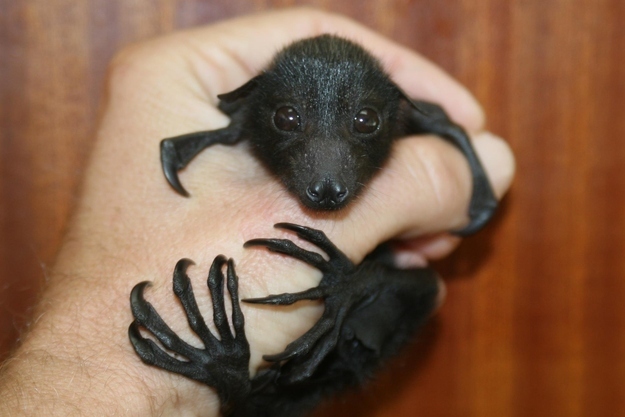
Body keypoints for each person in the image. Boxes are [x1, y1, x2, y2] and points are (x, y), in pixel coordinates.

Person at [0, 8, 514, 416]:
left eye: (363, 120)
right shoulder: (244, 122)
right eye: (289, 117)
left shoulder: (413, 128)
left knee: (419, 290)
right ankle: (228, 380)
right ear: (256, 116)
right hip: (265, 382)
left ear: (394, 114)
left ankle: (231, 375)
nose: (328, 176)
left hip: (346, 335)